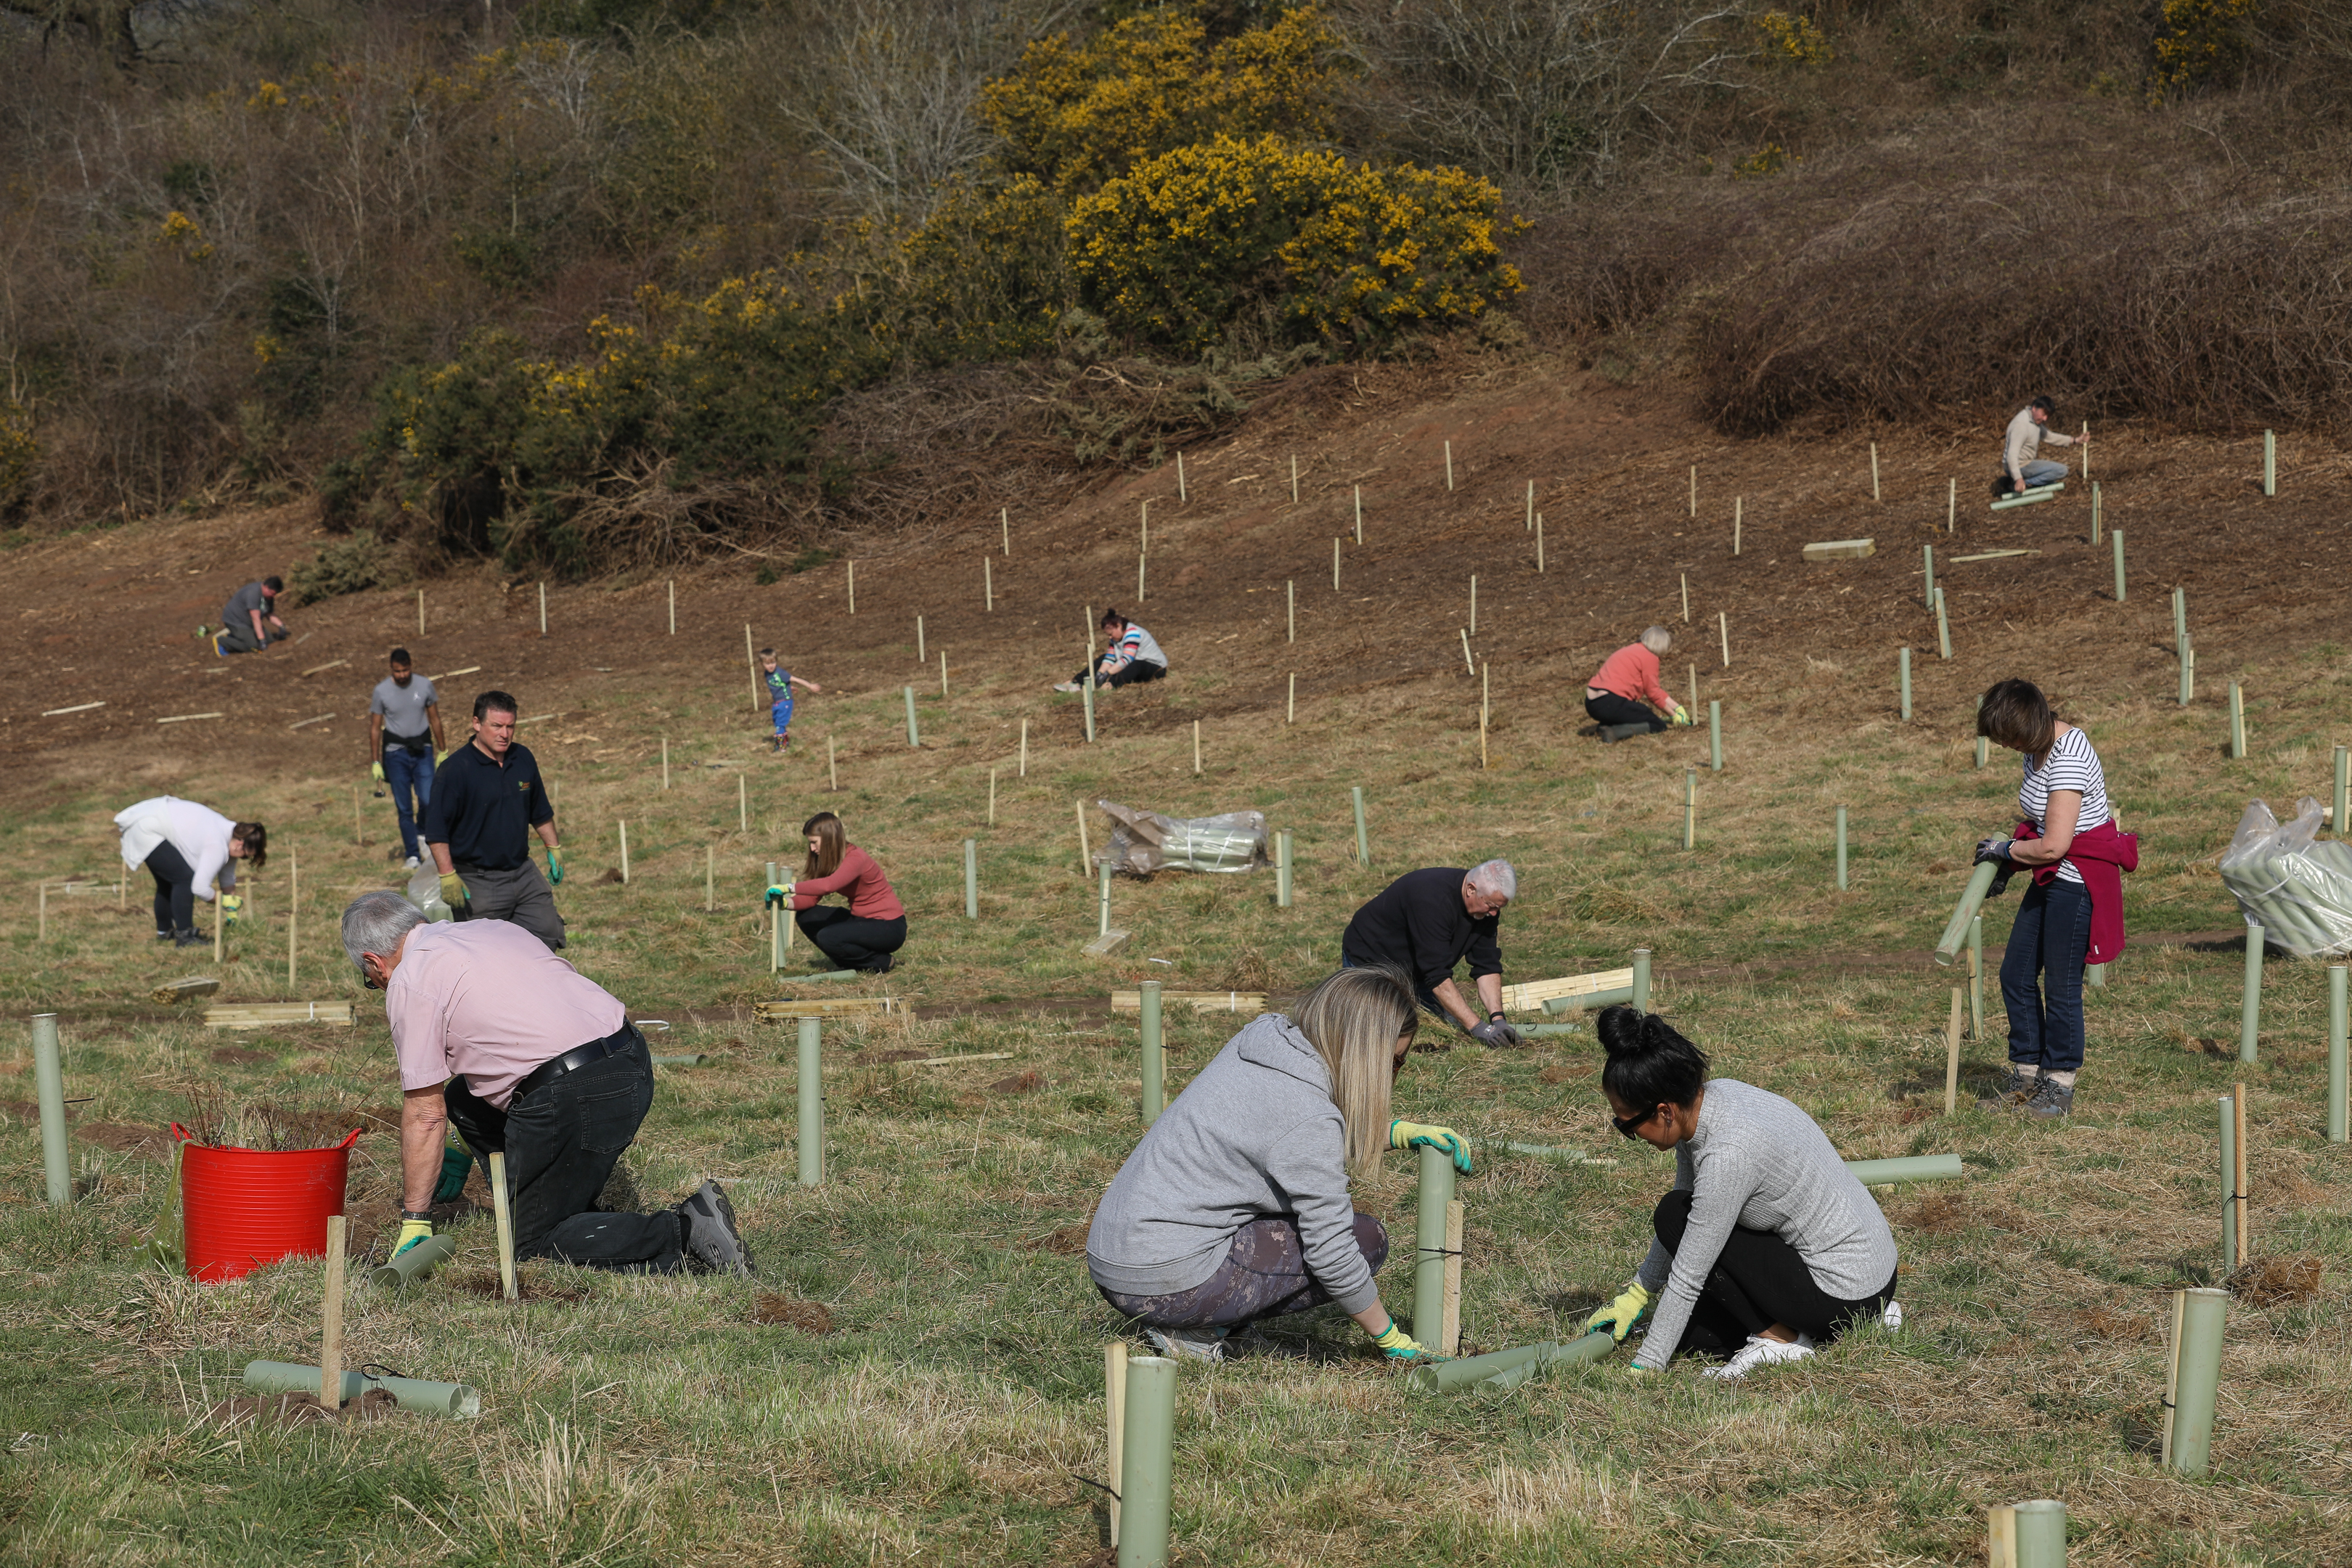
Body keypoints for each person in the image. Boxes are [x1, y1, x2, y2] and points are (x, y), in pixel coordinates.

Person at [339, 890, 750, 1275]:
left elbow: (425, 1115)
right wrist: (461, 1142)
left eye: (370, 980)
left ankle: (683, 1231)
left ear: (374, 963)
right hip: (631, 1059)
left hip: (577, 1094)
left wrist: (415, 1219)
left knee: (533, 1245)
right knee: (463, 1097)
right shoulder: (490, 928)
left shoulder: (410, 979)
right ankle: (551, 1198)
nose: (377, 986)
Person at [1086, 963, 1470, 1363]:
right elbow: (1332, 1251)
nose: (1394, 1075)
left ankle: (1202, 1317)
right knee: (1365, 1240)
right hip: (1164, 1278)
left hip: (1117, 1256)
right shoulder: (1308, 1114)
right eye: (1393, 1062)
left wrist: (1391, 1133)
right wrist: (1388, 1336)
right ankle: (1196, 1329)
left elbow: (1279, 1137)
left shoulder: (1265, 1040)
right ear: (1364, 1052)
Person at [1583, 1006, 1900, 1381]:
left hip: (1842, 1291)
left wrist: (1646, 1366)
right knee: (1693, 1334)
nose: (1629, 1134)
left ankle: (1780, 1340)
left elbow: (1689, 1267)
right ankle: (1859, 1322)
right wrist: (1637, 1295)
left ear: (1664, 1111)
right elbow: (1685, 1212)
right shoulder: (1711, 1101)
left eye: (1627, 1124)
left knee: (1673, 1217)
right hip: (1876, 1277)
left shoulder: (1729, 1154)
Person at [1970, 678, 2136, 1117]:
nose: (2006, 748)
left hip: (2076, 880)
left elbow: (2054, 845)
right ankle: (2026, 1076)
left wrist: (2007, 851)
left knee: (2061, 986)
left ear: (2029, 726)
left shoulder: (2069, 757)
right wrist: (2008, 858)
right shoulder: (2037, 748)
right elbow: (2040, 825)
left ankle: (2059, 1086)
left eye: (2009, 739)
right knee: (2016, 973)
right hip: (2051, 875)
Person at [422, 690, 567, 950]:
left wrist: (553, 848)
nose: (505, 734)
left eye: (510, 726)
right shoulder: (456, 770)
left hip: (523, 872)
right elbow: (436, 830)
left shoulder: (522, 758)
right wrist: (448, 875)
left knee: (547, 932)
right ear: (477, 723)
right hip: (478, 880)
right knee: (483, 952)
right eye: (497, 726)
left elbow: (540, 811)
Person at [1339, 862, 1524, 1045]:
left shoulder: (1487, 910)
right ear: (1471, 889)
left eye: (1499, 907)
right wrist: (1477, 1027)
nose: (1494, 913)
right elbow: (1437, 975)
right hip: (1372, 962)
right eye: (1490, 905)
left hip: (1419, 970)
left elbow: (1487, 964)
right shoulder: (1431, 899)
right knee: (1376, 1033)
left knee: (1447, 1026)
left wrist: (1497, 1020)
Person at [113, 797, 266, 947]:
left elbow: (227, 876)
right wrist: (222, 902)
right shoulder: (217, 844)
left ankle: (165, 933)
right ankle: (185, 937)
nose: (244, 858)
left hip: (153, 821)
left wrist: (231, 908)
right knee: (184, 880)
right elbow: (199, 888)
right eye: (246, 855)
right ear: (240, 844)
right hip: (147, 830)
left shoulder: (229, 835)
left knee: (169, 881)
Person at [781, 812, 905, 974]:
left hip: (889, 927)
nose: (812, 849)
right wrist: (785, 903)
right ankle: (849, 965)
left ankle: (881, 962)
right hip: (861, 920)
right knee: (806, 916)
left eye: (814, 842)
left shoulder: (855, 858)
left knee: (828, 937)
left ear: (828, 838)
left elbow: (828, 886)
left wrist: (788, 887)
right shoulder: (828, 860)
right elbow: (811, 898)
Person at [368, 649, 446, 871]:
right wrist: (375, 762)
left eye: (405, 670)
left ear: (411, 666)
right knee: (404, 808)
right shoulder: (381, 691)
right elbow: (375, 729)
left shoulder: (424, 686)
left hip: (422, 751)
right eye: (397, 671)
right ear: (391, 668)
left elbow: (435, 719)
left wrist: (443, 750)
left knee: (428, 799)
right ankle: (412, 853)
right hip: (395, 753)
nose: (402, 675)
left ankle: (423, 832)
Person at [1584, 626, 1691, 742]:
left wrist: (1678, 707)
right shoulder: (1650, 657)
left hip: (1592, 704)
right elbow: (1653, 694)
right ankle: (1614, 733)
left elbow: (1656, 690)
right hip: (1611, 703)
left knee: (1634, 712)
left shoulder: (1630, 650)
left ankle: (1604, 727)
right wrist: (1673, 715)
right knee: (1657, 724)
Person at [1995, 396, 2087, 498]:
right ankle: (2020, 484)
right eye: (2044, 414)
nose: (2045, 419)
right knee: (2061, 470)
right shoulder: (2021, 425)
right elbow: (2011, 456)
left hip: (2025, 463)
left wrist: (2075, 440)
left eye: (2047, 416)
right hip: (2019, 465)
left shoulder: (2034, 420)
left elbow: (2050, 436)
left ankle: (2016, 482)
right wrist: (2018, 479)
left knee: (2051, 481)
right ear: (2034, 408)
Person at [1055, 608, 1166, 693]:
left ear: (1118, 626)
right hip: (1134, 665)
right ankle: (1077, 682)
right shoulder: (1115, 638)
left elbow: (1128, 658)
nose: (1110, 638)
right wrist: (1100, 673)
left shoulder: (1133, 633)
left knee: (1136, 664)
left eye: (1111, 634)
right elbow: (1110, 658)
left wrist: (1108, 674)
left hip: (1155, 668)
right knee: (1103, 658)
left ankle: (1111, 685)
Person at [758, 647, 821, 753]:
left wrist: (809, 686)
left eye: (773, 662)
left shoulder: (780, 673)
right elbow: (779, 684)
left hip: (785, 701)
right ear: (762, 664)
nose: (771, 666)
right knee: (777, 721)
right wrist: (788, 687)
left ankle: (781, 747)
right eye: (767, 664)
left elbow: (795, 679)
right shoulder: (767, 674)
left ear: (776, 661)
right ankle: (785, 742)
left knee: (780, 724)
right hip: (777, 702)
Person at [216, 576, 287, 655]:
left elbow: (269, 613)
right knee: (253, 646)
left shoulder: (268, 596)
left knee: (270, 640)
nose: (274, 596)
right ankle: (222, 641)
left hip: (248, 622)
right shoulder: (253, 594)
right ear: (266, 587)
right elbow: (256, 618)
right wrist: (262, 640)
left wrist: (281, 626)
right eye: (273, 593)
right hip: (236, 622)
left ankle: (240, 636)